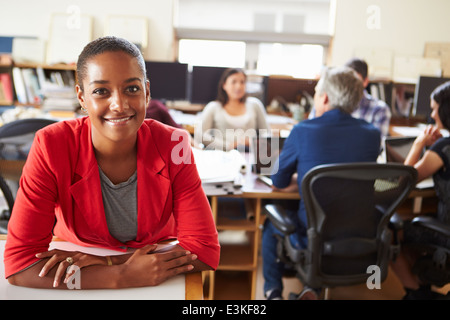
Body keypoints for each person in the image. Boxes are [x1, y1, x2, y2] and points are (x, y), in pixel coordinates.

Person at [4, 36, 220, 289]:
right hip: (76, 251)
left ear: (147, 92)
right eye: (100, 91)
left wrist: (109, 261)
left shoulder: (175, 144)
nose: (119, 104)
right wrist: (121, 276)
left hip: (153, 264)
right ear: (82, 97)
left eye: (132, 89)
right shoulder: (51, 145)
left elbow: (203, 250)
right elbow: (20, 265)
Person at [262, 66, 381, 300]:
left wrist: (305, 179)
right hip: (359, 232)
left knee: (271, 224)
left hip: (313, 232)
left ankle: (273, 293)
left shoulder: (303, 130)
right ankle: (312, 290)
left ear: (324, 97)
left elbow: (278, 180)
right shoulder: (372, 134)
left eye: (316, 93)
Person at [391, 81, 450, 300]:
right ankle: (425, 281)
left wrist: (418, 145)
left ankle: (416, 294)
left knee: (390, 231)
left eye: (435, 108)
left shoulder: (443, 148)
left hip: (446, 233)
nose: (433, 115)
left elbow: (401, 181)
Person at [309, 58, 391, 139]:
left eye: (355, 81)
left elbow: (376, 145)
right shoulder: (325, 102)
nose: (349, 86)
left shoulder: (379, 109)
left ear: (365, 82)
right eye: (345, 81)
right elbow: (310, 132)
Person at [194, 68, 270, 151]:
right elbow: (200, 135)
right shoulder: (213, 107)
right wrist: (228, 146)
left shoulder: (255, 105)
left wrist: (254, 142)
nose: (238, 86)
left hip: (249, 153)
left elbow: (267, 133)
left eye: (242, 82)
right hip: (222, 154)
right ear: (224, 85)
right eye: (234, 82)